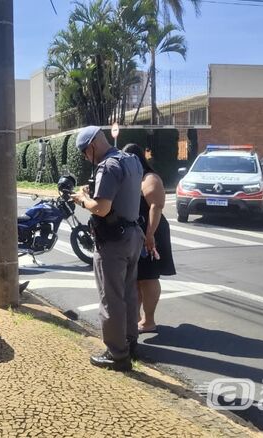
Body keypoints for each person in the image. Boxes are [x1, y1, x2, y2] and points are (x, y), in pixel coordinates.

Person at [70, 126, 144, 372]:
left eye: (84, 153)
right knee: (128, 293)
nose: (85, 158)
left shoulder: (108, 166)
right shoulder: (130, 160)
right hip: (134, 234)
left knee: (111, 298)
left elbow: (101, 208)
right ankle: (130, 342)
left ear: (91, 146)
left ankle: (117, 354)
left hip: (113, 241)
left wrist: (82, 199)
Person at [122, 144, 176, 334]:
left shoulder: (149, 178)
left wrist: (150, 235)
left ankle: (149, 321)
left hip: (152, 231)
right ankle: (136, 318)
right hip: (137, 233)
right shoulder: (132, 178)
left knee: (149, 277)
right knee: (136, 278)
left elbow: (156, 206)